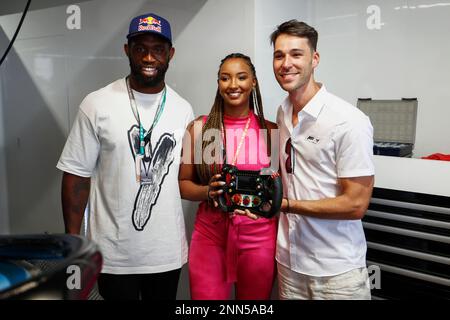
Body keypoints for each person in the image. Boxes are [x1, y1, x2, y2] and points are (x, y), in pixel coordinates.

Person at [56, 12, 194, 300]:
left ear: (170, 54)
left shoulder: (183, 110)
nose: (148, 57)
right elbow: (76, 176)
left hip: (165, 251)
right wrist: (73, 242)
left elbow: (185, 179)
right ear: (127, 50)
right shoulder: (96, 104)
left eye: (157, 49)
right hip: (113, 253)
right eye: (140, 48)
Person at [270, 20, 375, 300]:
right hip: (289, 265)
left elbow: (356, 204)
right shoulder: (282, 113)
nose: (286, 63)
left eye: (296, 54)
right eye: (279, 55)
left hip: (336, 272)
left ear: (314, 59)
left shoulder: (348, 121)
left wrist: (288, 206)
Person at [178, 53, 278, 300]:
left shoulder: (270, 130)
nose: (233, 84)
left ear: (253, 82)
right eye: (225, 78)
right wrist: (207, 191)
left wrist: (264, 202)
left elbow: (275, 187)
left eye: (241, 77)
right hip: (210, 236)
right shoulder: (201, 128)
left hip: (259, 238)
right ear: (218, 83)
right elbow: (183, 185)